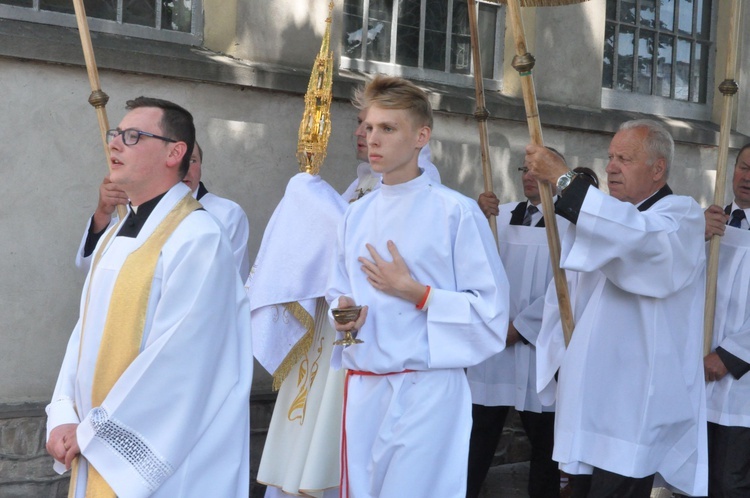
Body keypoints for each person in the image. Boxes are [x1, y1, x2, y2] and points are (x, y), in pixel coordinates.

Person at [46, 97, 252, 498]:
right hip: (90, 439)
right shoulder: (115, 233)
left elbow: (180, 362)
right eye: (116, 135)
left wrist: (92, 429)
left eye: (133, 136)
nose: (115, 145)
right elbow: (85, 335)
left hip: (165, 461)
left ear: (175, 152)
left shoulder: (199, 237)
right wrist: (62, 414)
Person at [326, 75, 510, 498]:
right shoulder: (355, 214)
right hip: (364, 385)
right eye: (369, 127)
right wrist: (346, 313)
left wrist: (418, 294)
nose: (372, 139)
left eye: (388, 129)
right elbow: (337, 289)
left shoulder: (456, 213)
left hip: (426, 390)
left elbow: (492, 313)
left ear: (420, 136)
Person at [526, 119, 708, 497]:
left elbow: (639, 243)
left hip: (634, 403)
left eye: (624, 158)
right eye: (610, 157)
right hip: (590, 397)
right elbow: (565, 297)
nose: (610, 167)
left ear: (658, 169)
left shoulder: (680, 216)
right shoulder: (605, 217)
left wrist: (564, 180)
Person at [466, 150, 593, 498]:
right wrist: (476, 218)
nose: (527, 175)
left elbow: (567, 285)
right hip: (494, 346)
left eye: (535, 169)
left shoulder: (571, 224)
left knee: (545, 444)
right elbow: (473, 264)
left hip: (539, 345)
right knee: (477, 437)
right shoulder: (498, 215)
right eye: (524, 169)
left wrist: (521, 327)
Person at [75, 142, 250, 280]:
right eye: (176, 161)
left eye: (192, 160)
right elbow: (91, 269)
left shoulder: (227, 214)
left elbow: (228, 283)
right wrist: (103, 214)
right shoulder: (133, 212)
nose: (184, 170)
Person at [702, 143, 750, 497]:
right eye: (744, 167)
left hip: (741, 382)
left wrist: (729, 356)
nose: (748, 178)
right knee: (693, 480)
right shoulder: (707, 222)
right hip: (696, 372)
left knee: (728, 482)